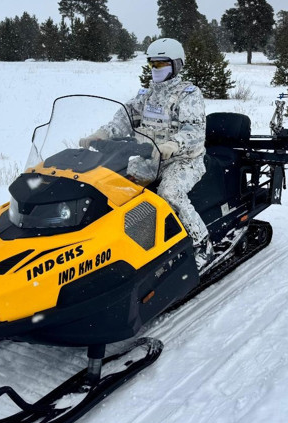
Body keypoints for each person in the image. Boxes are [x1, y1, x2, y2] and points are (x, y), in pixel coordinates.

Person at [79, 38, 212, 268]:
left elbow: (194, 131)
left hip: (184, 160)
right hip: (150, 158)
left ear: (176, 65)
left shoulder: (188, 94)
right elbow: (125, 117)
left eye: (161, 64)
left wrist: (174, 145)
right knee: (116, 187)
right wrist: (101, 134)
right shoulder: (148, 95)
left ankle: (202, 243)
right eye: (153, 64)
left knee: (169, 193)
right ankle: (130, 242)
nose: (155, 69)